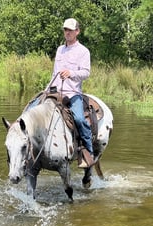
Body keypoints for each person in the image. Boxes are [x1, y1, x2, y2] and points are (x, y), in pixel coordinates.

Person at [45, 18, 93, 168]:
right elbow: (54, 73)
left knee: (79, 119)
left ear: (77, 31)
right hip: (56, 91)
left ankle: (88, 152)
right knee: (35, 108)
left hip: (73, 92)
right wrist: (46, 89)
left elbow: (86, 72)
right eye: (65, 30)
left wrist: (71, 73)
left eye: (70, 30)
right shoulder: (60, 49)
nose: (67, 33)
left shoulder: (83, 51)